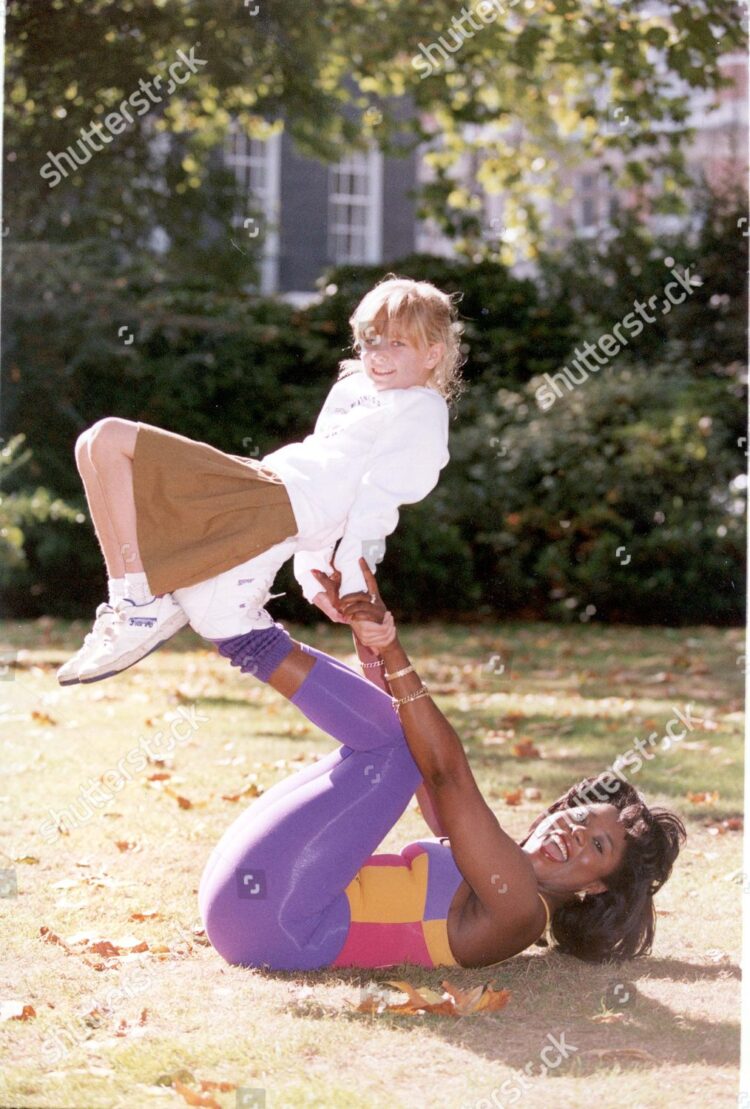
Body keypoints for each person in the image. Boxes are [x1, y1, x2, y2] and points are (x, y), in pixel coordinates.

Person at [198, 561, 686, 971]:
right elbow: (413, 743)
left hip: (273, 923)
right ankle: (240, 631)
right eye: (580, 817)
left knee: (396, 751)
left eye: (597, 845)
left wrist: (393, 649)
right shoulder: (495, 860)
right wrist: (370, 636)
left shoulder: (521, 910)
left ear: (596, 887)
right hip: (253, 907)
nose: (575, 833)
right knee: (399, 747)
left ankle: (243, 636)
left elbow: (445, 772)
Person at [57, 275, 465, 686]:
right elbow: (330, 470)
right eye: (371, 340)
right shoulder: (354, 388)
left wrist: (354, 584)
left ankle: (141, 604)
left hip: (281, 499)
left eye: (398, 344)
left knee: (110, 437)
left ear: (432, 353)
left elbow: (375, 501)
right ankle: (130, 600)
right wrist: (313, 576)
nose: (378, 354)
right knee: (91, 444)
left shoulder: (422, 409)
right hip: (270, 483)